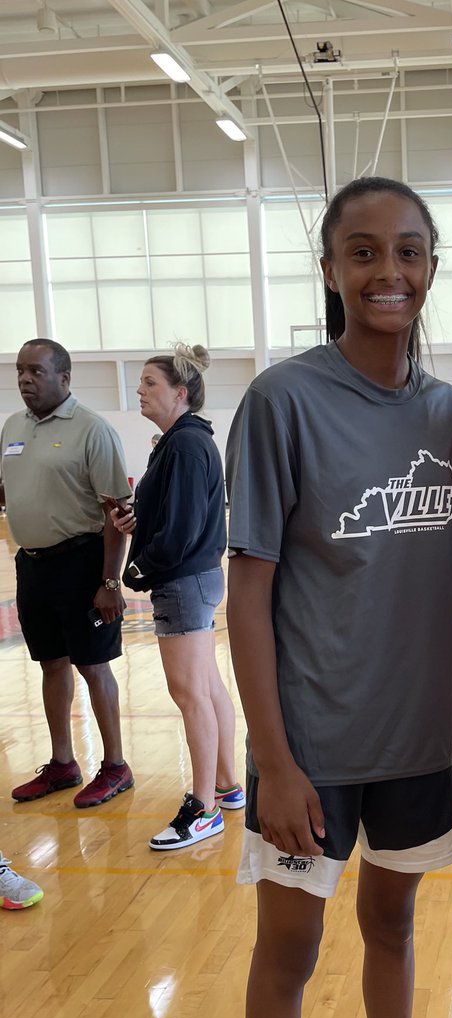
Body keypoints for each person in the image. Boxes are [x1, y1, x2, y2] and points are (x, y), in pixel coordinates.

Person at [225, 177, 452, 1018]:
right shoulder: (283, 400)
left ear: (430, 265)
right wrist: (274, 765)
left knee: (396, 929)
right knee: (288, 952)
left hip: (417, 739)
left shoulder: (450, 410)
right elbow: (247, 598)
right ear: (329, 270)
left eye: (409, 251)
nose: (389, 272)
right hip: (310, 752)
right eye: (364, 252)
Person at [108, 344, 243, 851]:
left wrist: (139, 567)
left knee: (190, 693)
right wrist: (136, 525)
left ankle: (203, 807)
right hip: (194, 577)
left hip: (184, 580)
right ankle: (227, 786)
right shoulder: (179, 442)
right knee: (205, 687)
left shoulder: (185, 445)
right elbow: (175, 518)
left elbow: (183, 530)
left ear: (180, 392)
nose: (139, 391)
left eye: (149, 383)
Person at [1, 339, 134, 808]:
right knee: (50, 663)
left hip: (82, 564)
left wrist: (109, 581)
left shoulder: (92, 430)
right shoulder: (13, 427)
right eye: (20, 371)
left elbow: (116, 511)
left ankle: (116, 766)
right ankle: (62, 763)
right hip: (32, 565)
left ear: (64, 377)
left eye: (35, 371)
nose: (24, 380)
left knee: (93, 665)